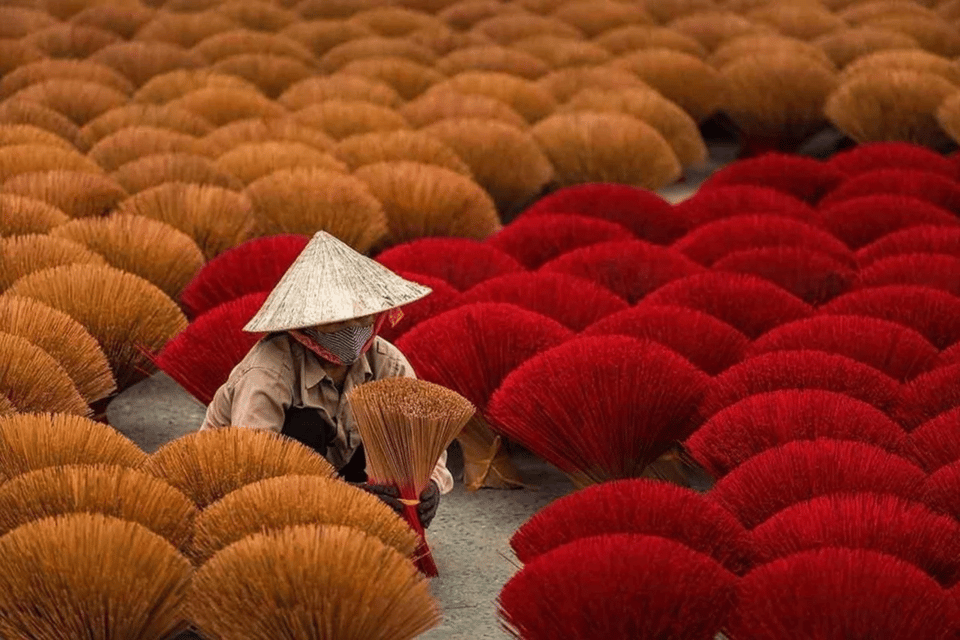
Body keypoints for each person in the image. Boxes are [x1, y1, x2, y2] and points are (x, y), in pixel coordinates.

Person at [201, 231, 451, 528]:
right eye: (338, 319)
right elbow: (251, 469)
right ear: (306, 322)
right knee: (306, 425)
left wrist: (429, 484)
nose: (354, 327)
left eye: (363, 315)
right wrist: (348, 497)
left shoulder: (387, 362)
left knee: (389, 439)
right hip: (264, 496)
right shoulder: (269, 371)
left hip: (343, 479)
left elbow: (422, 436)